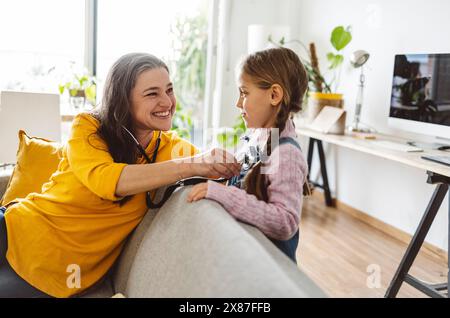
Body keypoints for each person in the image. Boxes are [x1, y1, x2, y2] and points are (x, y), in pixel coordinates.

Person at [0, 53, 240, 298]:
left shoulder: (171, 148)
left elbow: (226, 170)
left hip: (60, 270)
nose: (167, 102)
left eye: (169, 90)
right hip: (15, 229)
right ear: (123, 100)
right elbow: (107, 180)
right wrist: (192, 164)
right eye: (152, 93)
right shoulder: (88, 127)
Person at [187, 47, 309, 263]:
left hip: (267, 268)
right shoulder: (256, 137)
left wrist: (223, 194)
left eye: (244, 93)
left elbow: (285, 223)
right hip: (244, 252)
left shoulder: (287, 154)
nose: (237, 103)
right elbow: (246, 185)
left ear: (274, 95)